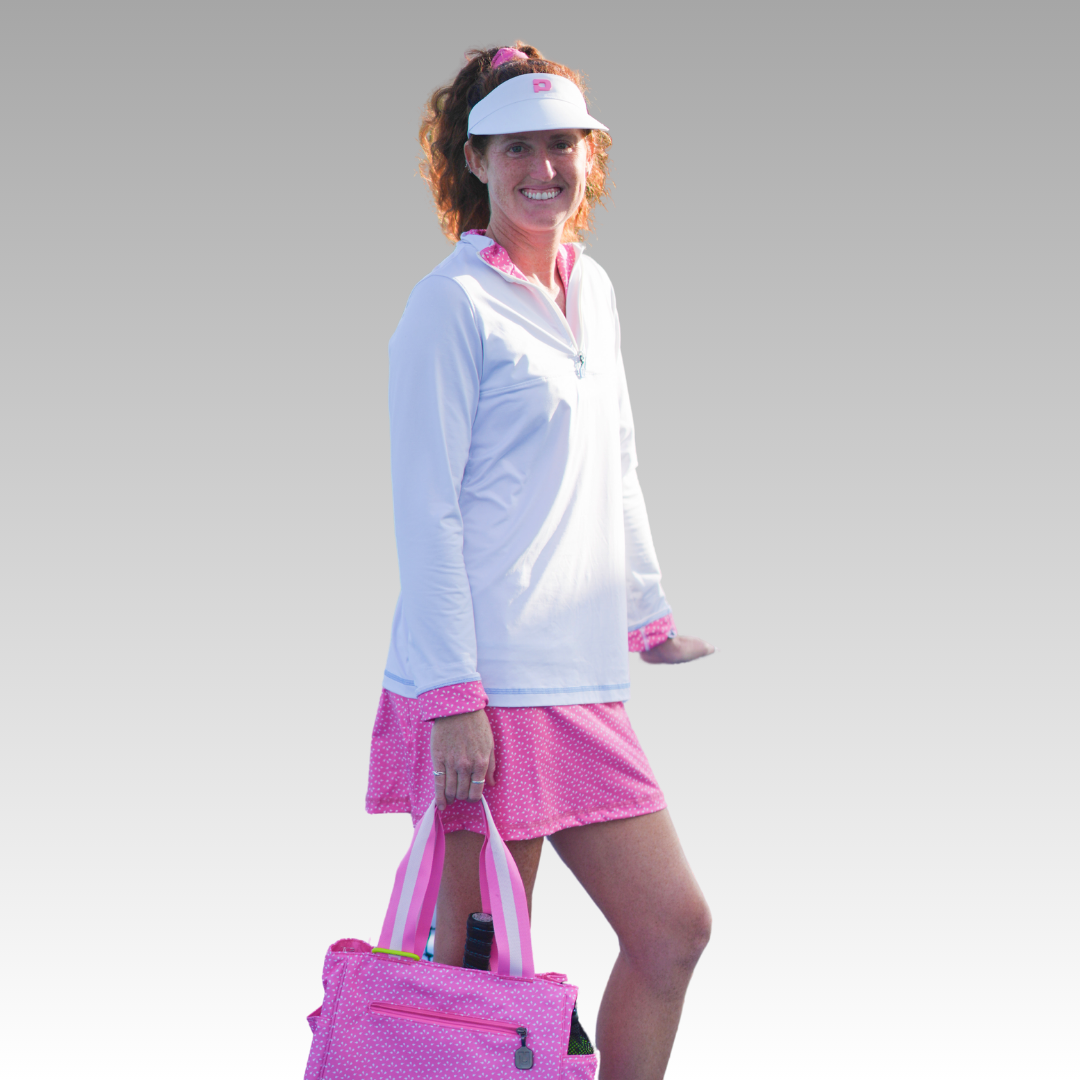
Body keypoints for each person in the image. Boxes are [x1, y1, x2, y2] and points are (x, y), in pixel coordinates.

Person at [366, 42, 713, 1080]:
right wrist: (453, 697)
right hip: (483, 686)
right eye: (516, 147)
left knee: (671, 933)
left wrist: (648, 613)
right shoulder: (449, 307)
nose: (543, 167)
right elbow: (425, 511)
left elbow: (617, 461)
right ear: (474, 160)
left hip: (579, 679)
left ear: (589, 155)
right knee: (474, 990)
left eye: (561, 143)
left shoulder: (591, 288)